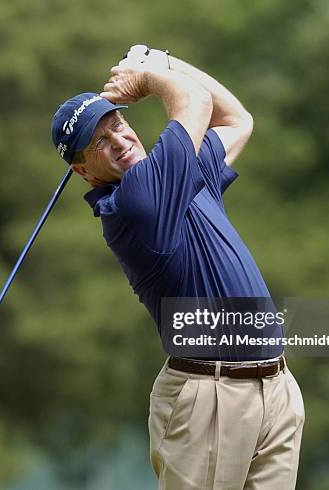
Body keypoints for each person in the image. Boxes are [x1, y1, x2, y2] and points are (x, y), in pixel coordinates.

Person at [51, 46, 305, 490]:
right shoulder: (134, 203)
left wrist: (162, 62)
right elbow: (196, 103)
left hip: (274, 387)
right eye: (100, 144)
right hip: (209, 397)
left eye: (119, 125)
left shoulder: (178, 172)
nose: (120, 141)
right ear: (83, 171)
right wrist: (148, 76)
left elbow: (236, 120)